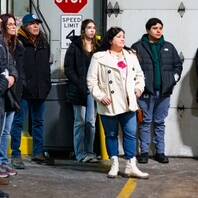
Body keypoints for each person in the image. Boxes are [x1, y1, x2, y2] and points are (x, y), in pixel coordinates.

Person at [87, 27, 149, 179]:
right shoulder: (99, 57)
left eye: (123, 36)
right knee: (111, 134)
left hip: (128, 102)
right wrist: (100, 95)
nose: (123, 39)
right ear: (110, 40)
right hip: (109, 102)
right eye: (119, 37)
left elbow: (140, 75)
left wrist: (139, 88)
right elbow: (91, 81)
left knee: (131, 134)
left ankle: (131, 165)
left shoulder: (131, 55)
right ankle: (114, 163)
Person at [131, 18, 183, 164]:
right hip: (146, 92)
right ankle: (144, 153)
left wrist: (173, 78)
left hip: (164, 92)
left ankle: (160, 152)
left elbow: (177, 65)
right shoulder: (138, 47)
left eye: (160, 28)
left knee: (160, 122)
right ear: (148, 30)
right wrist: (139, 86)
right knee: (145, 122)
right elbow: (132, 68)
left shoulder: (169, 47)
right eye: (155, 28)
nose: (158, 30)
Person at [10, 14, 51, 169]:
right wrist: (21, 85)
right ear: (25, 26)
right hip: (23, 90)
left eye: (37, 24)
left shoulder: (43, 43)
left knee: (38, 122)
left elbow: (45, 67)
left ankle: (38, 152)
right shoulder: (19, 42)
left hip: (40, 90)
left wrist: (46, 85)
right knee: (18, 122)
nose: (36, 26)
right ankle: (15, 154)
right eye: (32, 24)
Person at [64, 19, 100, 162]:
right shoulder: (75, 46)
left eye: (94, 28)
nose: (92, 30)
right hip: (78, 89)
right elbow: (68, 68)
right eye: (89, 27)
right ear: (83, 30)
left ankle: (90, 152)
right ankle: (80, 154)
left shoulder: (98, 47)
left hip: (93, 90)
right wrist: (79, 83)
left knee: (91, 122)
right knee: (80, 122)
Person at [0, 13, 25, 177]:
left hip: (12, 91)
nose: (13, 26)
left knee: (6, 130)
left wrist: (14, 78)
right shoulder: (2, 44)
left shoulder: (17, 45)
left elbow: (13, 66)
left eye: (14, 23)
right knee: (2, 130)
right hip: (4, 89)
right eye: (9, 23)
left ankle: (3, 162)